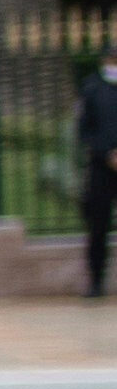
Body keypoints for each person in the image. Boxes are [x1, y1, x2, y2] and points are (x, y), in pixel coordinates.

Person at [74, 48, 115, 300]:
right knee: (98, 225)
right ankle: (96, 281)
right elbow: (84, 129)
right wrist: (107, 153)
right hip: (101, 167)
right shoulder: (92, 88)